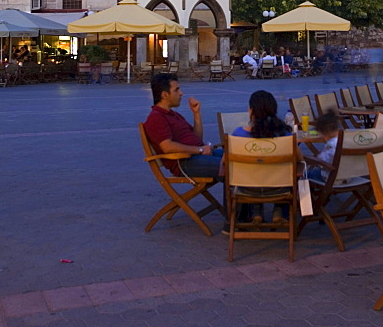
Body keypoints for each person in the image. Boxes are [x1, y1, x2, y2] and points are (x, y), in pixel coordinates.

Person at [231, 90, 303, 224]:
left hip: (247, 188)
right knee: (284, 174)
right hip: (279, 188)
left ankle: (255, 213)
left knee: (254, 175)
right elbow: (300, 160)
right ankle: (279, 211)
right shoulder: (286, 136)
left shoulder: (238, 134)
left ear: (251, 111)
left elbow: (225, 162)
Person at [143, 73, 221, 178]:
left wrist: (196, 114)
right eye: (176, 90)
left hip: (196, 156)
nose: (181, 93)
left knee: (238, 156)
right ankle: (240, 193)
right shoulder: (156, 117)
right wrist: (200, 150)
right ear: (164, 95)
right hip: (184, 162)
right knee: (232, 166)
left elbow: (197, 139)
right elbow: (167, 147)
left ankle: (238, 193)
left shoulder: (173, 115)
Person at [306, 112, 342, 183]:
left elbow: (321, 161)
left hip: (330, 178)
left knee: (306, 174)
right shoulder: (346, 141)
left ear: (324, 133)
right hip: (348, 178)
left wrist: (309, 160)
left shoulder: (331, 144)